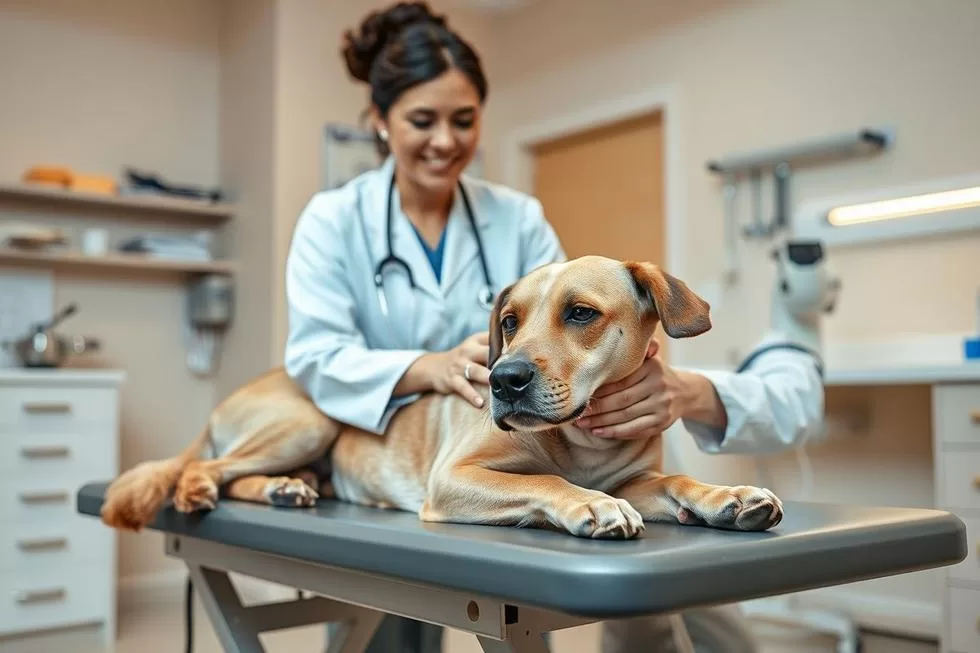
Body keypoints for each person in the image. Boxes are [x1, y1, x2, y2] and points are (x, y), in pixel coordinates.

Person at [281, 3, 826, 653]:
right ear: (379, 122)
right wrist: (427, 366)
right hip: (409, 436)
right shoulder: (334, 219)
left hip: (560, 440)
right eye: (421, 120)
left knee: (695, 614)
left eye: (464, 120)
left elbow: (569, 314)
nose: (446, 140)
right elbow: (313, 354)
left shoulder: (516, 217)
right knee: (390, 627)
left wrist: (635, 374)